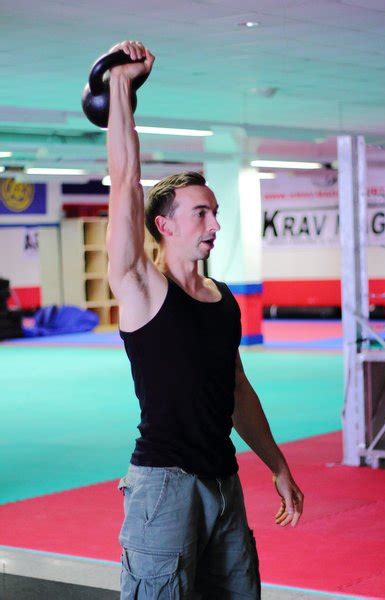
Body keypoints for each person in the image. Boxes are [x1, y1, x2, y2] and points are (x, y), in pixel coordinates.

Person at [106, 39, 304, 600]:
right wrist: (120, 87)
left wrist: (278, 465)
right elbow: (125, 180)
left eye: (215, 212)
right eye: (202, 213)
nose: (215, 224)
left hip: (224, 482)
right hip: (164, 487)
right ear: (164, 226)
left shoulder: (223, 300)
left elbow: (236, 389)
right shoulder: (143, 289)